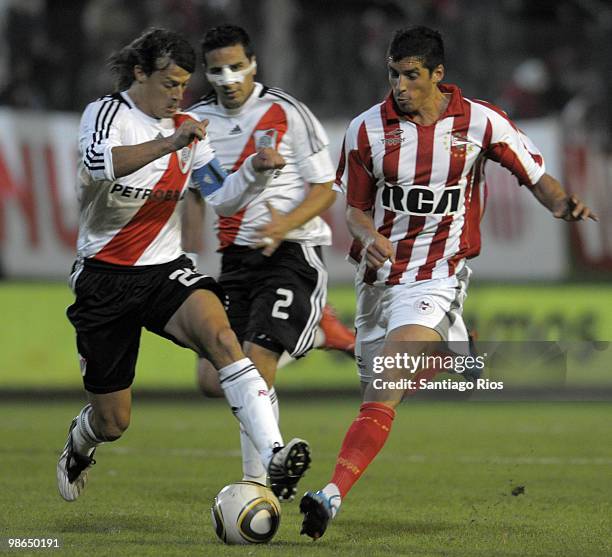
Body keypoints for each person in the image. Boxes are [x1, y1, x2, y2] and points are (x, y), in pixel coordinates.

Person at [300, 26, 597, 539]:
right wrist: (368, 234)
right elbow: (354, 210)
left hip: (437, 275)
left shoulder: (481, 122)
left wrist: (560, 203)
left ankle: (330, 496)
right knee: (380, 391)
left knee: (386, 388)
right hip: (376, 282)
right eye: (393, 74)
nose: (399, 85)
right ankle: (460, 350)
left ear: (438, 75)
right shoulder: (367, 129)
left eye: (411, 75)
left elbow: (533, 174)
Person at [56, 28, 312, 503]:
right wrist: (170, 143)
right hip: (104, 278)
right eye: (169, 83)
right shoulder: (109, 113)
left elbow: (224, 199)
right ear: (139, 73)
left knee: (222, 337)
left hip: (163, 270)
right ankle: (81, 439)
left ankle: (274, 456)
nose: (179, 95)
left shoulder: (189, 130)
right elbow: (98, 163)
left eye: (183, 85)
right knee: (114, 421)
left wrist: (256, 172)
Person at [182, 24, 353, 501]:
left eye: (236, 66)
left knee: (255, 368)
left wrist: (282, 225)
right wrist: (193, 258)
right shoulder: (197, 122)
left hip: (291, 251)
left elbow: (325, 190)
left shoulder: (289, 112)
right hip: (234, 259)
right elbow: (207, 197)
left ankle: (260, 483)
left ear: (253, 64)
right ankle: (318, 331)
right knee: (212, 380)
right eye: (217, 69)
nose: (228, 77)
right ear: (208, 74)